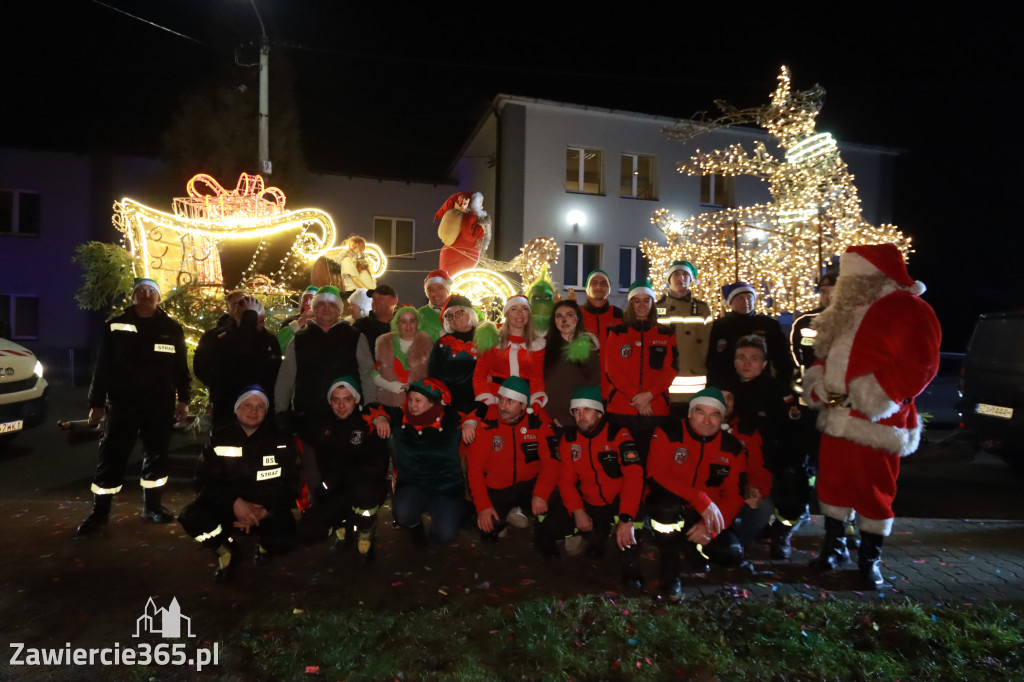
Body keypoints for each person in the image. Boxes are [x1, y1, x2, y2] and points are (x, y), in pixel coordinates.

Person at [804, 243, 940, 587]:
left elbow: (921, 364)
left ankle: (870, 557)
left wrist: (874, 394)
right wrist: (818, 382)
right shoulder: (844, 311)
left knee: (873, 489)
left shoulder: (909, 308)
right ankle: (835, 546)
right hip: (836, 415)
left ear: (872, 276)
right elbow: (824, 355)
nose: (843, 284)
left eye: (850, 277)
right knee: (833, 483)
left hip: (876, 420)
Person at [76, 278, 192, 536]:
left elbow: (180, 368)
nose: (146, 294)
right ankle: (99, 512)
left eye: (152, 290)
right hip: (122, 403)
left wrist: (184, 399)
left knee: (157, 455)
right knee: (112, 456)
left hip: (159, 405)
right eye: (141, 290)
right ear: (133, 296)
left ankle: (152, 507)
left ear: (159, 297)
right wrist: (96, 404)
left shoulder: (171, 328)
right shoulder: (115, 325)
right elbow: (102, 366)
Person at [178, 386, 299, 581]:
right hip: (228, 505)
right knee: (191, 518)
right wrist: (235, 503)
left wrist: (264, 510)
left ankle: (264, 545)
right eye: (248, 405)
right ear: (236, 409)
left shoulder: (281, 441)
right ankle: (225, 549)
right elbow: (203, 481)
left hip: (264, 507)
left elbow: (291, 484)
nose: (254, 410)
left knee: (285, 540)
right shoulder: (219, 438)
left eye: (260, 406)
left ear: (266, 412)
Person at [274, 285, 376, 505]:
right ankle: (317, 511)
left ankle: (343, 513)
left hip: (344, 417)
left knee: (342, 468)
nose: (326, 309)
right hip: (309, 416)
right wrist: (281, 410)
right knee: (312, 470)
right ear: (313, 308)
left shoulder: (354, 336)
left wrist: (370, 406)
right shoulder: (300, 339)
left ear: (339, 309)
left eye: (332, 304)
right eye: (320, 304)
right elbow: (286, 377)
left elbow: (367, 374)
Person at [536, 386, 644, 588]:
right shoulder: (569, 440)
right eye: (576, 411)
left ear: (599, 413)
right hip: (589, 501)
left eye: (586, 410)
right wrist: (577, 511)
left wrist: (627, 516)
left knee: (633, 529)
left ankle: (631, 566)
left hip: (619, 501)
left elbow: (634, 476)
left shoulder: (618, 434)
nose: (580, 416)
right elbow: (566, 481)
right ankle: (592, 538)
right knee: (550, 523)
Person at [645, 387, 746, 596]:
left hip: (707, 515)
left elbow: (735, 496)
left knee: (731, 554)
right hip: (673, 506)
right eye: (700, 412)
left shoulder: (732, 448)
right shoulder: (668, 433)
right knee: (667, 511)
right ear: (690, 413)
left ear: (722, 417)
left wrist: (711, 528)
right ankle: (669, 572)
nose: (707, 421)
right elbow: (655, 475)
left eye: (714, 415)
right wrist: (700, 499)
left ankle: (692, 546)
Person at [725, 335, 816, 560]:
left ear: (764, 363)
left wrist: (788, 465)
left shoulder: (779, 393)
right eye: (742, 358)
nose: (747, 363)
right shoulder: (726, 391)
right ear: (734, 362)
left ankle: (782, 531)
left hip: (775, 459)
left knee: (793, 483)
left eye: (754, 359)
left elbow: (796, 435)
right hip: (738, 460)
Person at [297, 377, 390, 561]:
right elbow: (294, 424)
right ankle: (342, 525)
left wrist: (336, 480)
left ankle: (365, 529)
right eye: (336, 399)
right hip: (334, 490)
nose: (341, 405)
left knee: (366, 493)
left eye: (347, 399)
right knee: (307, 531)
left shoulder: (369, 424)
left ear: (356, 399)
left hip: (363, 487)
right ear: (329, 401)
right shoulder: (321, 425)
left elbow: (377, 468)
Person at [467, 377, 560, 540]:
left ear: (524, 405)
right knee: (488, 531)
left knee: (556, 503)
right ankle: (507, 513)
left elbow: (551, 461)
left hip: (529, 484)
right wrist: (483, 506)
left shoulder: (537, 421)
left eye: (510, 402)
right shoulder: (486, 423)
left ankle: (554, 528)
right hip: (497, 488)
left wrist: (541, 494)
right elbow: (474, 469)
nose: (503, 406)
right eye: (501, 399)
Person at [600, 278, 678, 464]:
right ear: (630, 304)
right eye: (637, 300)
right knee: (623, 463)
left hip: (655, 410)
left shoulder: (666, 334)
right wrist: (637, 397)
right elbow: (612, 370)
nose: (641, 305)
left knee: (653, 462)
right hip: (621, 409)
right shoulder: (617, 333)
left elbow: (670, 370)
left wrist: (649, 396)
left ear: (652, 303)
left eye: (646, 300)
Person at [389, 379, 467, 545]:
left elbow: (478, 408)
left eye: (418, 400)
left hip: (446, 487)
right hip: (413, 484)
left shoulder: (451, 420)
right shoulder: (400, 418)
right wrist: (380, 418)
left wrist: (471, 421)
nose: (412, 405)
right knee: (402, 513)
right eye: (410, 399)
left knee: (445, 535)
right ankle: (415, 526)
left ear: (432, 403)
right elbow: (371, 409)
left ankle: (439, 528)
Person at [194, 295, 281, 429]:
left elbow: (275, 372)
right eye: (251, 320)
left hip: (263, 409)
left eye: (260, 321)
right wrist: (219, 387)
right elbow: (202, 368)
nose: (256, 325)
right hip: (227, 409)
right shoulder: (219, 338)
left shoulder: (269, 339)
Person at [706, 281, 795, 389]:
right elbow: (712, 361)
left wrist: (780, 386)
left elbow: (783, 360)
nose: (746, 302)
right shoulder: (719, 326)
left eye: (749, 298)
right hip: (728, 386)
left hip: (761, 387)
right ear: (731, 302)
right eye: (740, 298)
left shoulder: (768, 325)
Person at [472, 294, 547, 413]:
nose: (519, 314)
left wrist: (536, 403)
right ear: (507, 314)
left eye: (524, 309)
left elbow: (537, 379)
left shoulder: (538, 344)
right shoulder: (492, 339)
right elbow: (479, 376)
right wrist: (488, 402)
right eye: (514, 309)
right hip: (495, 400)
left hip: (524, 402)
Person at [655, 261, 712, 408]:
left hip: (695, 384)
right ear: (669, 279)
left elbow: (709, 343)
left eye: (686, 275)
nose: (681, 278)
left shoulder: (703, 309)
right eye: (677, 274)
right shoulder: (656, 308)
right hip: (662, 386)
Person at [542, 299, 600, 430]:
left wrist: (570, 416)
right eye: (559, 316)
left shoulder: (589, 348)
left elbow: (593, 383)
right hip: (547, 417)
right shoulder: (544, 347)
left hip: (577, 419)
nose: (564, 320)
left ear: (578, 318)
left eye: (569, 315)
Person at [373, 305, 433, 416]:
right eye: (403, 321)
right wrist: (393, 386)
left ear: (418, 323)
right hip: (389, 404)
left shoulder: (428, 344)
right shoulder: (384, 343)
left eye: (412, 321)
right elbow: (374, 374)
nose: (408, 326)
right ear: (397, 324)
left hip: (419, 407)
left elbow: (434, 376)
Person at [427, 294, 481, 416]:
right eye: (449, 316)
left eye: (459, 313)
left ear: (470, 313)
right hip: (452, 404)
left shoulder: (485, 337)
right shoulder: (442, 343)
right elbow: (433, 375)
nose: (455, 319)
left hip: (483, 401)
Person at [790, 269, 837, 374]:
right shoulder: (805, 320)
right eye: (823, 292)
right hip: (813, 376)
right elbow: (794, 349)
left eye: (833, 291)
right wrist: (802, 370)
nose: (827, 297)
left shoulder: (852, 319)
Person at [434, 191, 490, 275]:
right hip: (458, 262)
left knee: (451, 284)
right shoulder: (469, 218)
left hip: (451, 258)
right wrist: (482, 229)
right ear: (474, 205)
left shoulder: (464, 219)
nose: (482, 206)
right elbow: (469, 236)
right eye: (480, 203)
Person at [354, 284, 399, 360]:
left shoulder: (404, 325)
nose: (375, 302)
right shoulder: (361, 325)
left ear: (394, 301)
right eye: (374, 299)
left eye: (380, 298)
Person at [579, 269, 622, 341]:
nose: (599, 286)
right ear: (587, 288)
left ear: (609, 289)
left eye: (604, 283)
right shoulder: (577, 313)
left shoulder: (619, 315)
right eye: (594, 283)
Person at [277, 285, 319, 352]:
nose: (308, 302)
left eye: (312, 298)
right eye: (305, 298)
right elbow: (278, 346)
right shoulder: (290, 321)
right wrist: (298, 324)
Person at [417, 269, 453, 342]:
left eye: (440, 288)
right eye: (430, 289)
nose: (435, 293)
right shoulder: (419, 314)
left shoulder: (463, 310)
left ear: (447, 290)